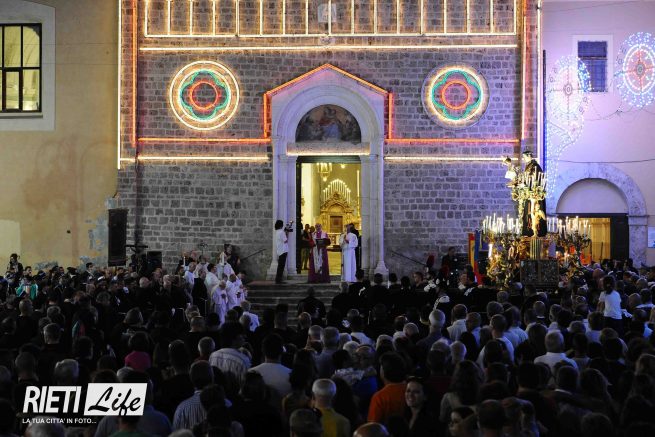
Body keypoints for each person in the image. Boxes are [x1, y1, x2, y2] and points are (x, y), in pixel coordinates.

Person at [274, 220, 289, 284]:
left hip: (280, 250)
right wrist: (287, 233)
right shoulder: (281, 232)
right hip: (283, 250)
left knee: (280, 266)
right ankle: (278, 280)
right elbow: (285, 240)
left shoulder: (277, 232)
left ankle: (278, 279)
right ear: (281, 225)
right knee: (281, 266)